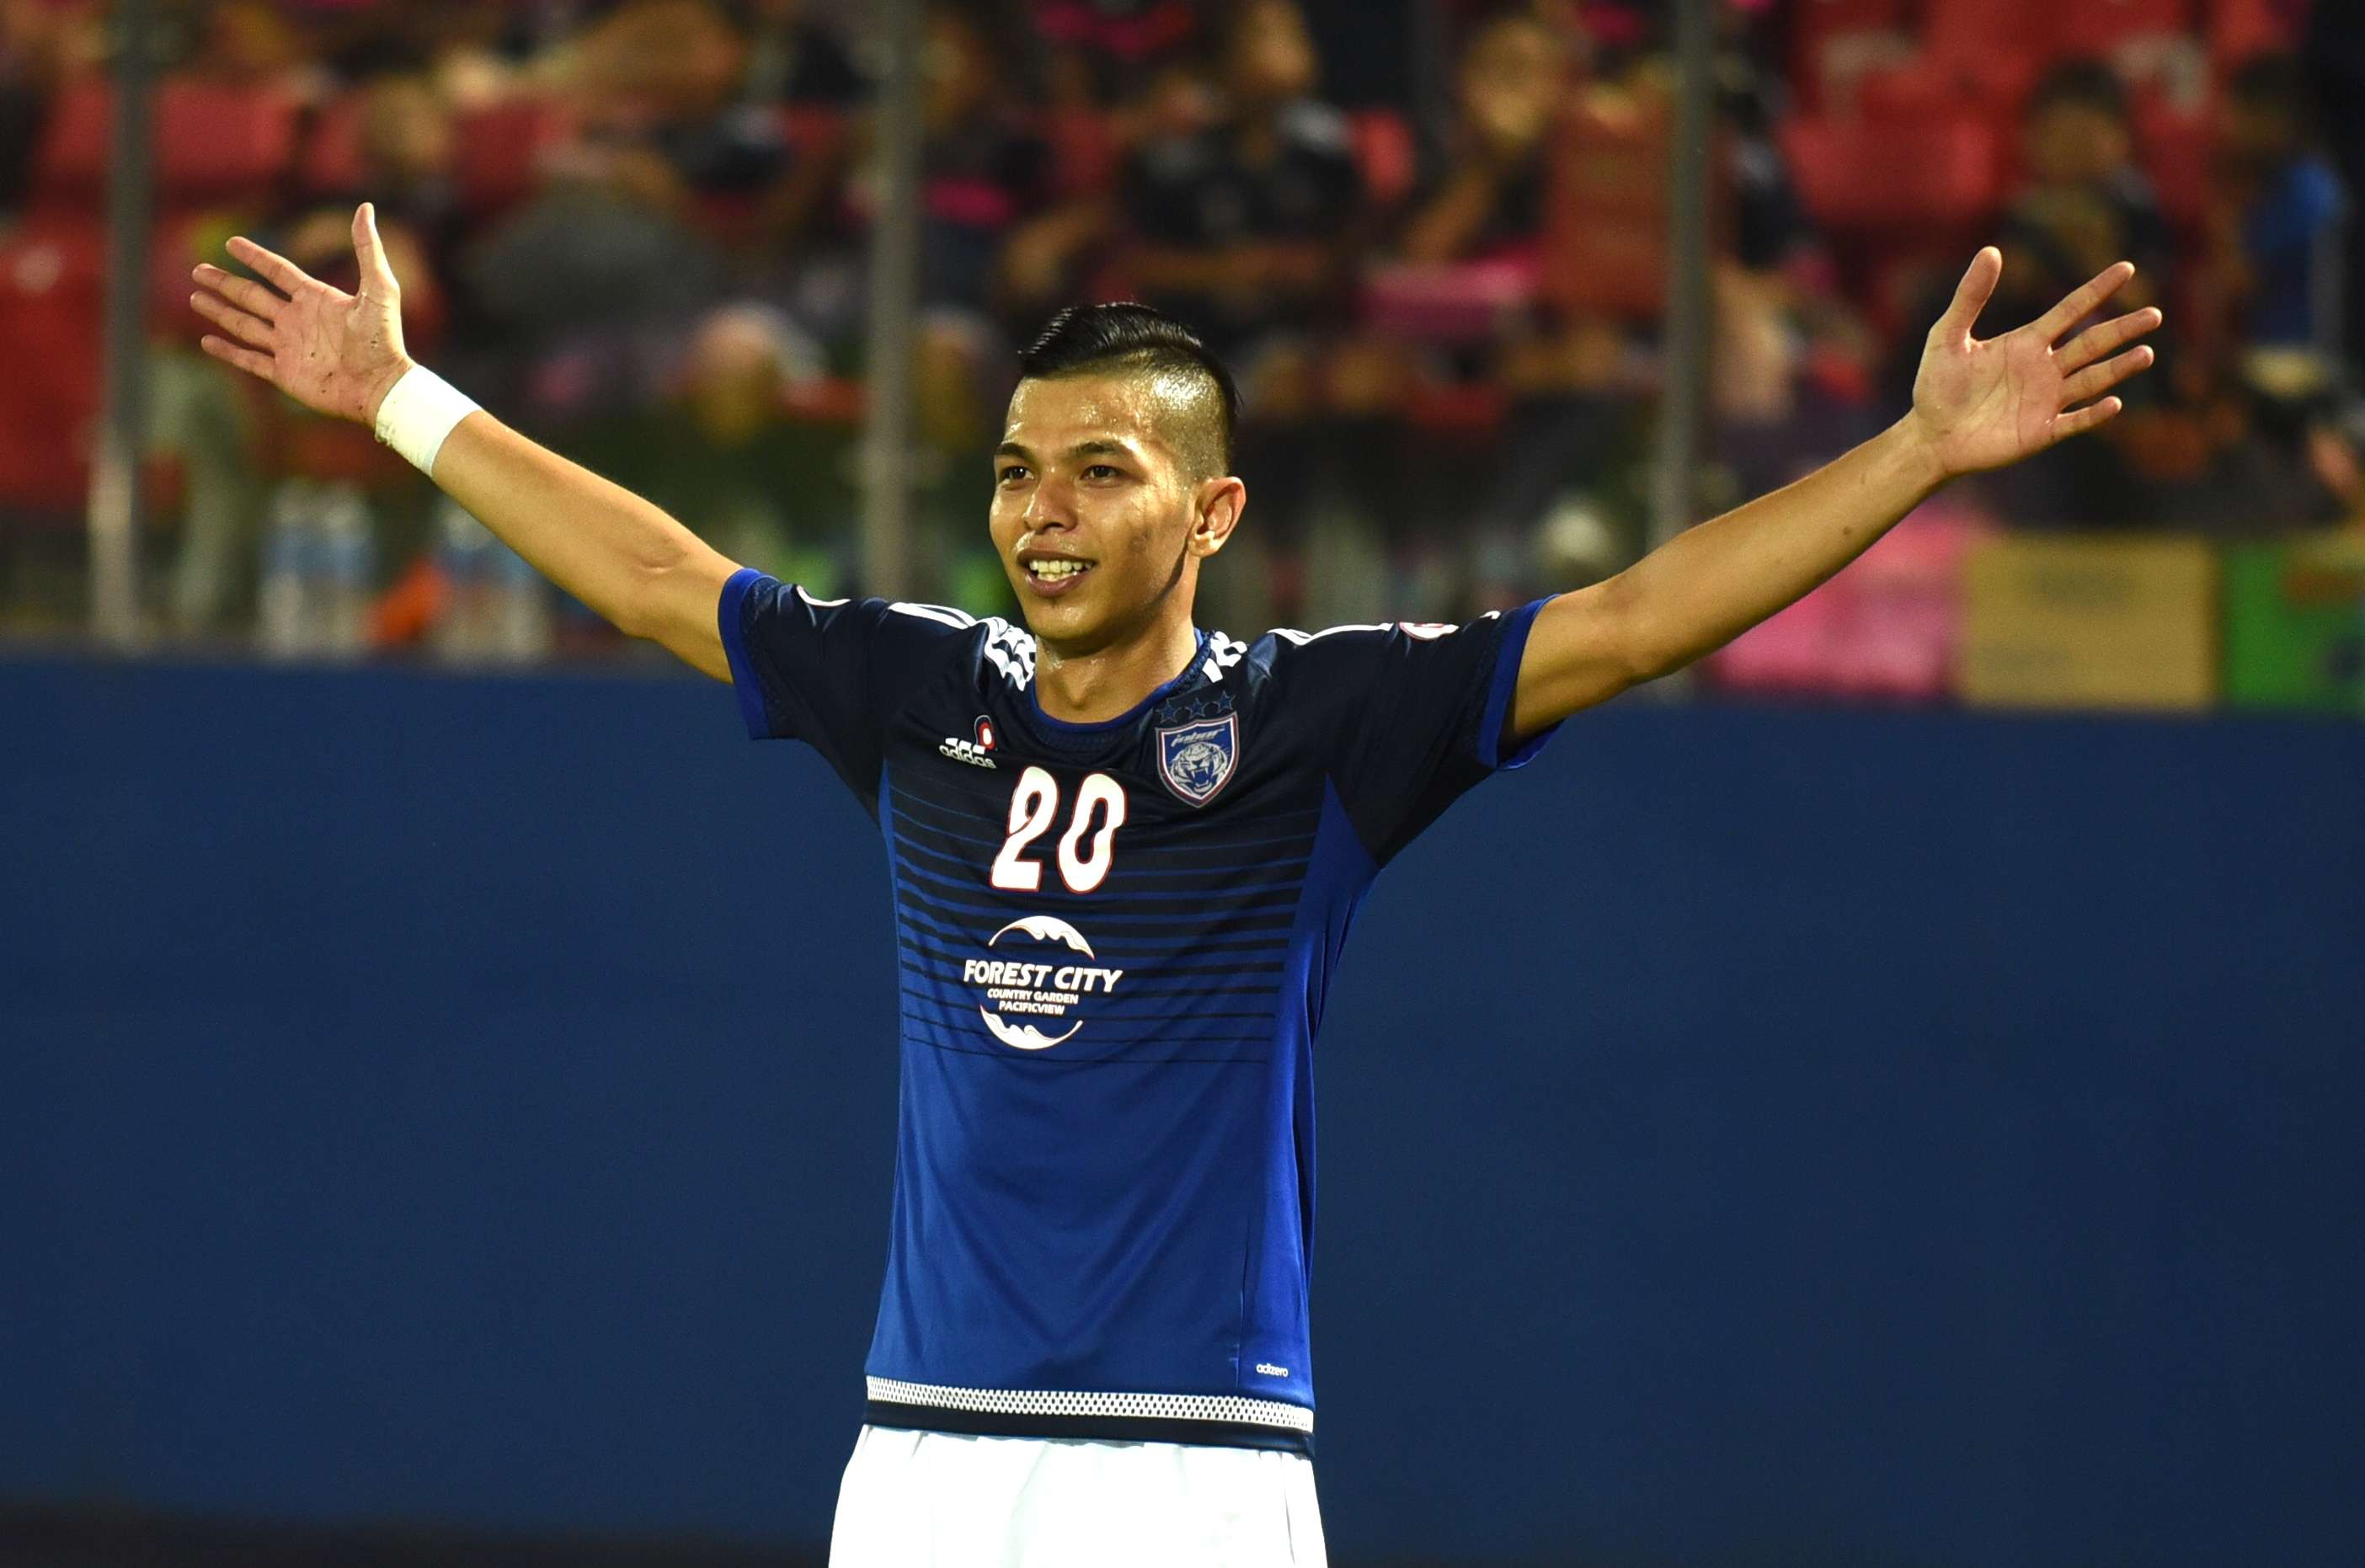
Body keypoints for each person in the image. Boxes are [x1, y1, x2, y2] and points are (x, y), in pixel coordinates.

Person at [189, 204, 2161, 1565]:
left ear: (1211, 509)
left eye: (1105, 471)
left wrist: (1911, 453)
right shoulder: (918, 689)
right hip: (924, 1459)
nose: (1046, 511)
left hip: (1195, 1470)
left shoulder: (1319, 728)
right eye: (1021, 470)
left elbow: (1637, 618)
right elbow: (647, 571)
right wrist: (396, 398)